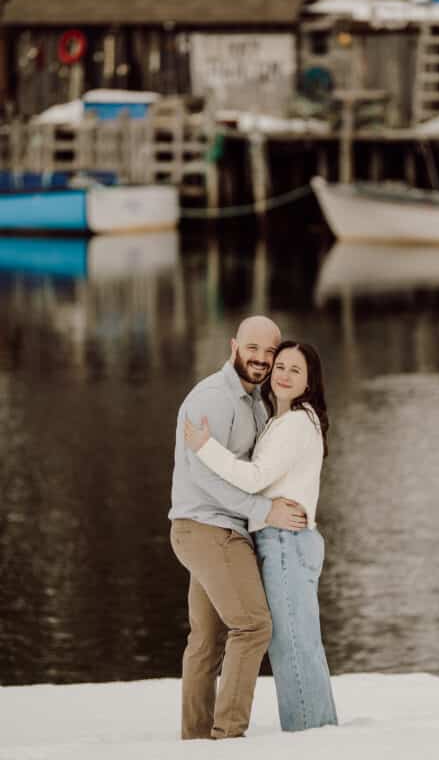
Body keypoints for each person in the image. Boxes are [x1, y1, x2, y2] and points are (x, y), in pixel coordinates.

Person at [185, 340, 338, 732]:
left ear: (309, 383)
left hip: (286, 541)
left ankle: (309, 734)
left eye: (295, 370)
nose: (284, 374)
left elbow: (255, 479)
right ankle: (319, 728)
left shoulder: (294, 424)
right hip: (287, 540)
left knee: (290, 645)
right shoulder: (282, 420)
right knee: (302, 641)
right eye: (280, 366)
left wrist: (206, 449)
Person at [169, 316, 308, 741]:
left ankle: (194, 740)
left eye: (270, 352)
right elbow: (206, 476)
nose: (262, 359)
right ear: (234, 346)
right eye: (254, 349)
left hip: (215, 529)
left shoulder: (255, 401)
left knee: (207, 642)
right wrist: (264, 511)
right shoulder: (212, 398)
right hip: (209, 529)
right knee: (253, 625)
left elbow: (251, 468)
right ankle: (228, 736)